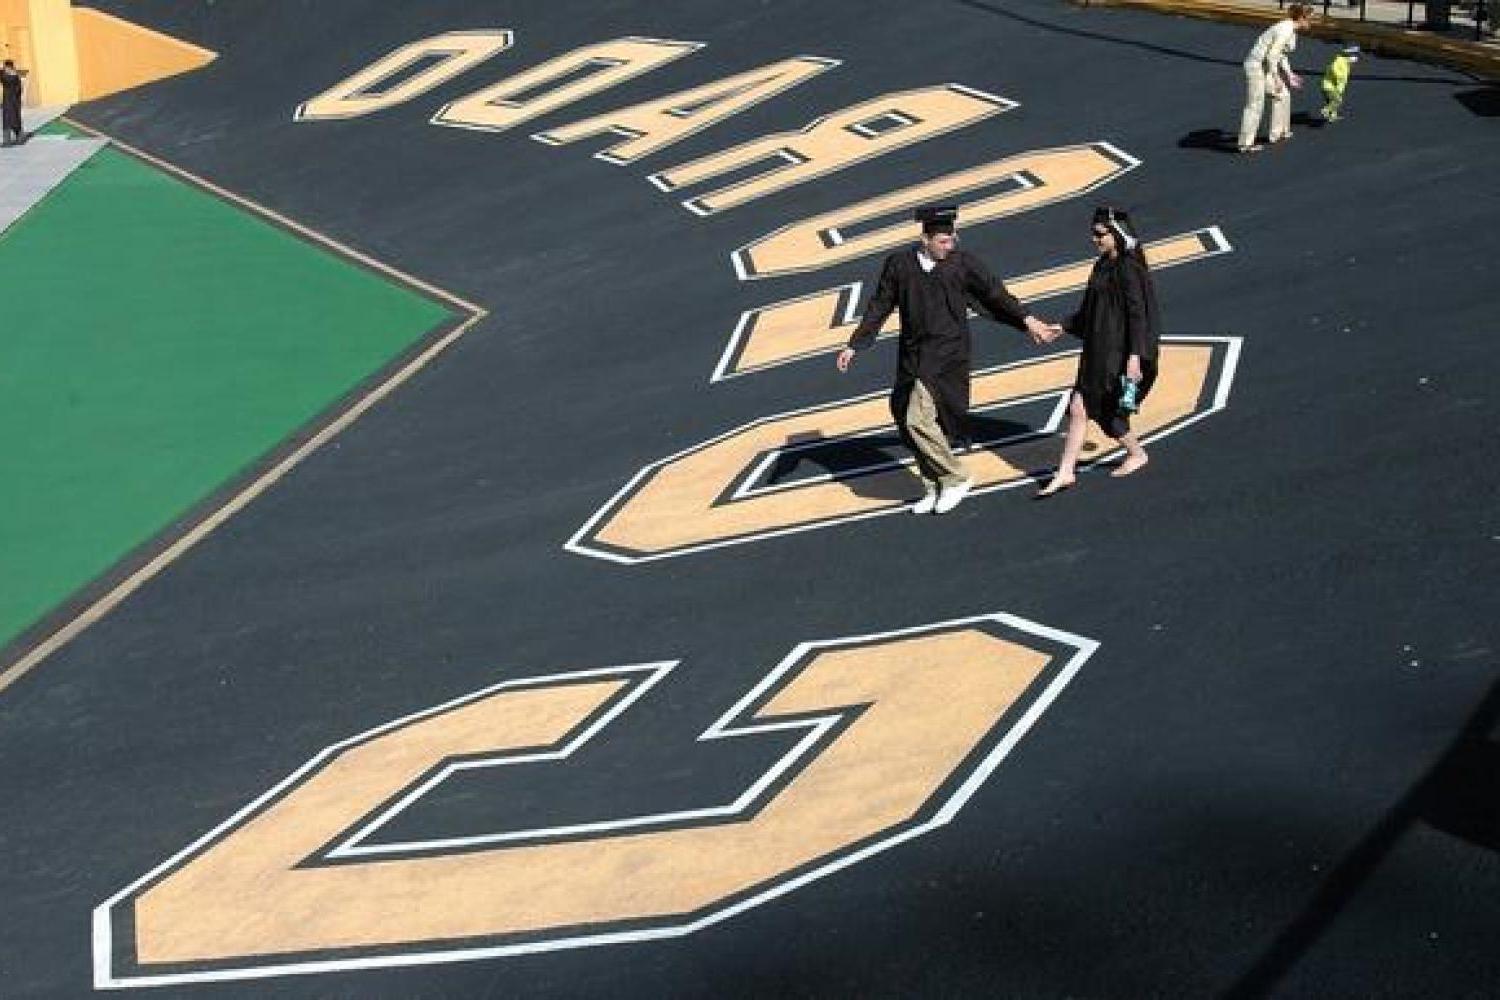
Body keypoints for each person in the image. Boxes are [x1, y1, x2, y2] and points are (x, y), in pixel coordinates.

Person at [836, 206, 1057, 515]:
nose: (949, 246)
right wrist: (855, 345)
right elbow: (880, 305)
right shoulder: (899, 266)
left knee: (919, 418)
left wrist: (1028, 321)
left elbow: (996, 295)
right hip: (912, 353)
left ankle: (956, 476)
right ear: (925, 238)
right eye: (942, 241)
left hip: (947, 353)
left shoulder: (962, 265)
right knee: (903, 416)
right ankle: (933, 484)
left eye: (952, 239)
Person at [1036, 207, 1161, 498]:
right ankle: (1066, 471)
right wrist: (1064, 326)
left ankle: (1136, 454)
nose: (1094, 239)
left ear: (1117, 234)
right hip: (1097, 349)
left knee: (1103, 411)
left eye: (1100, 234)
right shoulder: (1102, 265)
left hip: (1117, 353)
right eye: (1093, 233)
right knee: (1079, 408)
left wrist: (1135, 356)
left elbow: (1138, 317)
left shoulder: (1129, 269)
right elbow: (1089, 311)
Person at [1237, 4, 1312, 153]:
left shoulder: (1292, 31)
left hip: (1266, 67)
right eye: (1309, 18)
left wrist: (1290, 74)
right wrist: (1277, 78)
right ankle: (1245, 144)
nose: (1311, 22)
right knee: (1255, 105)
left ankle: (1278, 133)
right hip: (1256, 66)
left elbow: (1281, 55)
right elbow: (1272, 56)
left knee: (1283, 94)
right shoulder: (1285, 29)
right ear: (1301, 18)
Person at [1320, 44, 1360, 122]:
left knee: (1331, 101)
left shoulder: (1345, 63)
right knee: (1337, 100)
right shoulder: (1339, 60)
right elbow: (1334, 70)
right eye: (1353, 55)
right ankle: (1326, 110)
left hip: (1335, 87)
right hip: (1329, 87)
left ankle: (1332, 116)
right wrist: (1339, 78)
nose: (1354, 58)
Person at [1, 60, 27, 146]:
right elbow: (20, 90)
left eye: (5, 67)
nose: (4, 69)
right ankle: (20, 138)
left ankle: (8, 141)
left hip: (10, 102)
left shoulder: (7, 77)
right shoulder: (16, 77)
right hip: (14, 102)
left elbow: (4, 78)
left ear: (9, 67)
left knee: (8, 121)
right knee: (15, 120)